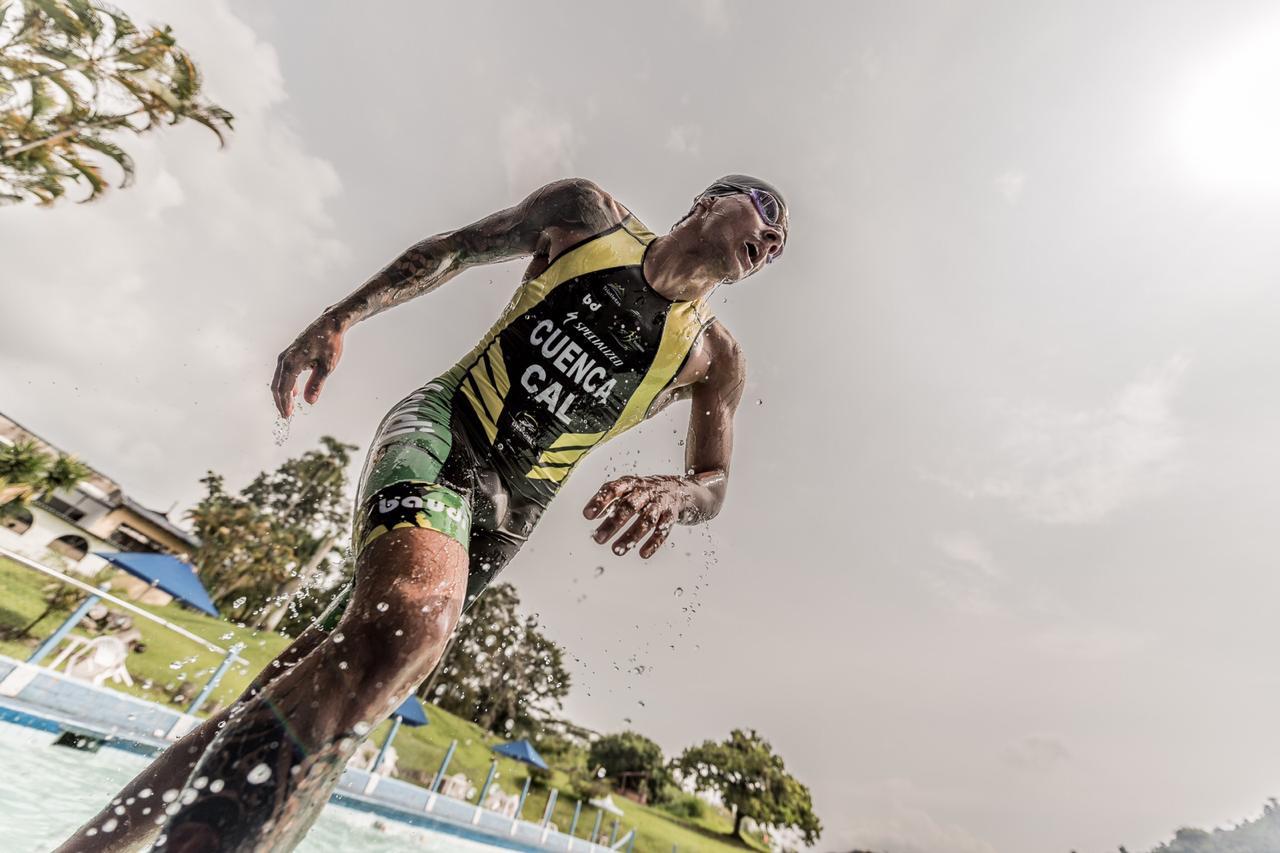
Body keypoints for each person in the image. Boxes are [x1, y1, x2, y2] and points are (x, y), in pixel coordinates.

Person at [56, 174, 788, 852]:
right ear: (709, 200)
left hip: (508, 519)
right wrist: (341, 316)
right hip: (445, 432)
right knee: (414, 623)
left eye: (781, 244)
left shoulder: (712, 356)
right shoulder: (588, 218)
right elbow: (456, 250)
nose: (774, 239)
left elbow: (713, 481)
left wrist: (675, 494)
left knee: (311, 686)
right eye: (766, 211)